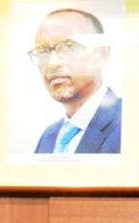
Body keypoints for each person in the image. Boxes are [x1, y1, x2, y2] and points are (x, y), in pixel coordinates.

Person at [30, 8, 121, 154]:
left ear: (102, 55)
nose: (52, 64)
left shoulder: (128, 125)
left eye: (68, 48)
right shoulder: (49, 138)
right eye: (43, 52)